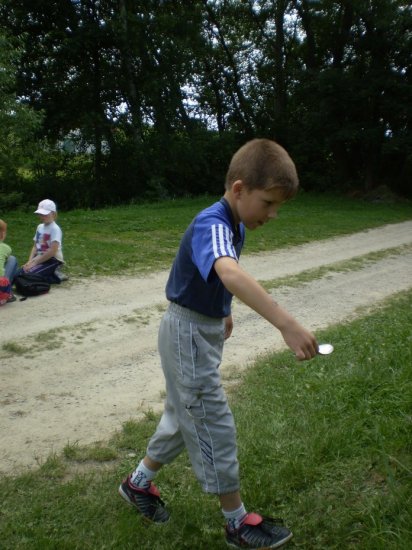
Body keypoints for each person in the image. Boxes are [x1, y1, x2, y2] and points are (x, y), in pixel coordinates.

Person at [118, 139, 318, 549]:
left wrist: (222, 309)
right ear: (240, 189)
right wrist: (287, 324)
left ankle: (138, 484)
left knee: (183, 416)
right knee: (212, 421)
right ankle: (236, 522)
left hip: (198, 332)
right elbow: (229, 272)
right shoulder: (212, 222)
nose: (274, 214)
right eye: (268, 203)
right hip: (186, 334)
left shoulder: (235, 224)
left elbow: (215, 273)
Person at [20, 199, 64, 282]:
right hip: (40, 257)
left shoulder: (55, 229)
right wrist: (29, 262)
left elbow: (52, 251)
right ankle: (48, 272)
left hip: (53, 259)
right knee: (22, 271)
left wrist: (35, 263)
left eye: (45, 214)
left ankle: (56, 275)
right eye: (40, 214)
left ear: (53, 214)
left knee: (30, 275)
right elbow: (35, 246)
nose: (42, 217)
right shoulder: (39, 227)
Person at [0, 219, 18, 302]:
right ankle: (7, 292)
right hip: (1, 288)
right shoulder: (6, 248)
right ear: (3, 234)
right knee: (12, 259)